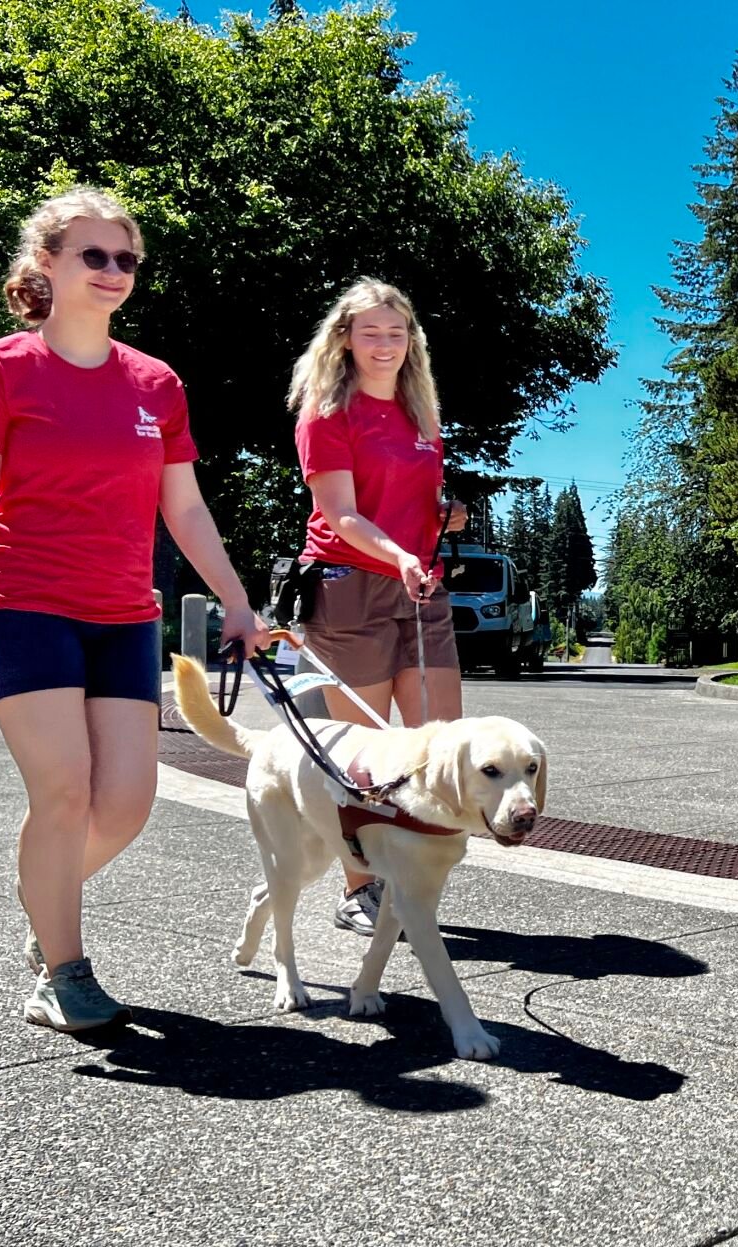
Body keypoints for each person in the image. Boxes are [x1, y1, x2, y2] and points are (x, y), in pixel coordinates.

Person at [0, 187, 271, 1032]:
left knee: (125, 802)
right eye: (94, 255)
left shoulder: (156, 384)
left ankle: (45, 902)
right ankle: (64, 969)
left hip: (124, 614)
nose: (114, 272)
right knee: (64, 789)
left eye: (126, 259)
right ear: (47, 262)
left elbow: (185, 509)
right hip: (21, 604)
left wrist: (237, 601)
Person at [288, 278, 467, 935]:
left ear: (411, 340)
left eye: (396, 333)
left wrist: (449, 517)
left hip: (420, 586)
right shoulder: (327, 413)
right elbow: (341, 514)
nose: (385, 344)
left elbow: (417, 501)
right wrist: (400, 556)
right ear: (345, 338)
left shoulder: (422, 415)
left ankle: (409, 874)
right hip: (350, 587)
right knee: (364, 750)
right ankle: (360, 888)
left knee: (439, 744)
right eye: (371, 332)